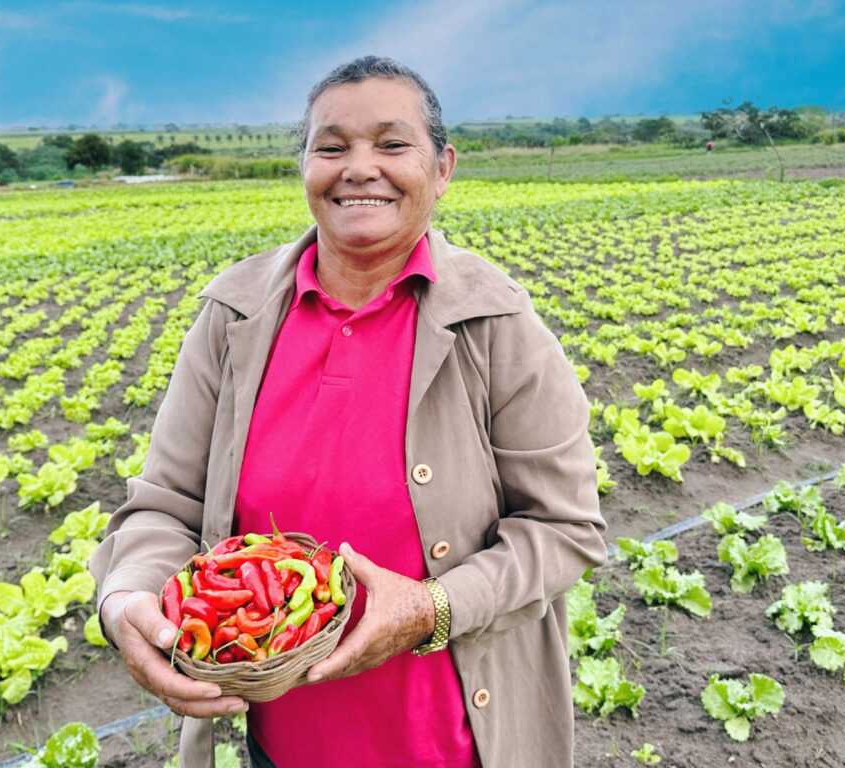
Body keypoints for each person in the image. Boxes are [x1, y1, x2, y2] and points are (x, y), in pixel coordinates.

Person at [90, 55, 607, 768]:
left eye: (393, 145)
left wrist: (433, 609)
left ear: (443, 167)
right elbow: (162, 506)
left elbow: (564, 528)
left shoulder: (497, 324)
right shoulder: (233, 315)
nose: (360, 167)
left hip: (452, 746)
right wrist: (124, 601)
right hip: (284, 743)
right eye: (332, 147)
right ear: (302, 166)